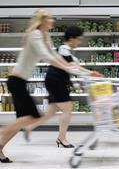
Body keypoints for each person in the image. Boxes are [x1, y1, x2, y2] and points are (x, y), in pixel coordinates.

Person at [0, 9, 100, 163]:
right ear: (43, 20)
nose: (52, 21)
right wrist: (69, 68)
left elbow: (54, 56)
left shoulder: (45, 36)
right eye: (50, 18)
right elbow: (47, 57)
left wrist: (72, 69)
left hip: (20, 81)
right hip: (16, 81)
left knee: (23, 120)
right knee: (31, 116)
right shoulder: (35, 34)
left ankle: (0, 148)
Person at [24, 26, 99, 148]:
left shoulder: (68, 52)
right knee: (68, 109)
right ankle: (61, 138)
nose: (80, 42)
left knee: (50, 113)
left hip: (55, 81)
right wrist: (90, 73)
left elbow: (73, 68)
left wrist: (85, 77)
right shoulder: (64, 48)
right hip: (56, 81)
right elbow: (73, 66)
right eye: (79, 39)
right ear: (71, 39)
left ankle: (29, 127)